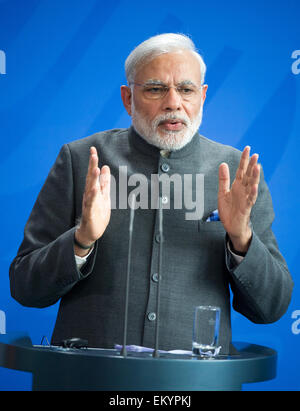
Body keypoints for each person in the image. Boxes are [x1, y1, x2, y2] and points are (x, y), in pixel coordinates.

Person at [9, 33, 293, 354]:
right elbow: (25, 288)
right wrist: (81, 240)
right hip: (89, 377)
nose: (173, 103)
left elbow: (272, 307)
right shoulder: (80, 160)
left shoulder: (235, 173)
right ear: (128, 99)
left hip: (196, 385)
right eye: (156, 89)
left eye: (186, 89)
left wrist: (242, 240)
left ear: (202, 96)